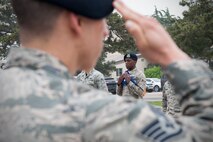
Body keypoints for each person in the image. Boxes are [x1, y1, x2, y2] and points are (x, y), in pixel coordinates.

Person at [0, 0, 212, 142]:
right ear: (78, 21)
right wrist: (170, 54)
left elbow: (141, 93)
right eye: (102, 20)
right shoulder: (104, 115)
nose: (105, 31)